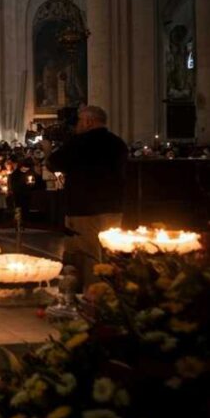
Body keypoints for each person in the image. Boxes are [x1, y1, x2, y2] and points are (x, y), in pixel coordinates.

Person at [45, 105, 129, 290]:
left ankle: (92, 298)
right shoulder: (118, 143)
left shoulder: (80, 142)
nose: (77, 126)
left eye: (80, 121)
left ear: (89, 121)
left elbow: (54, 163)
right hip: (113, 207)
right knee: (111, 253)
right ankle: (114, 295)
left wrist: (47, 151)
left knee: (87, 255)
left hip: (84, 209)